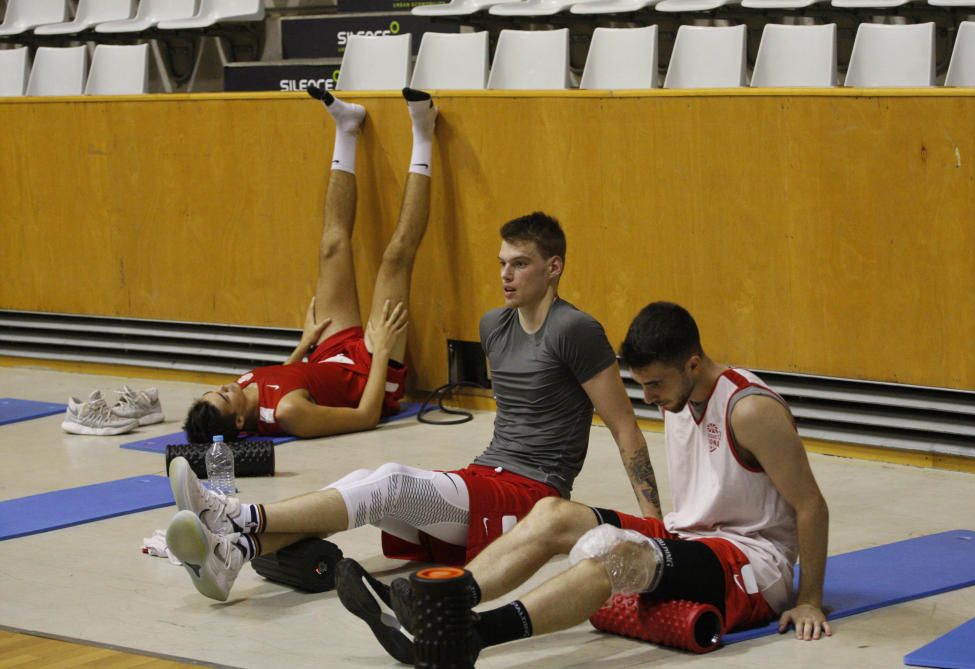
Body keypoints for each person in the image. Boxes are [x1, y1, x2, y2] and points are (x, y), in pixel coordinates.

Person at [165, 95, 662, 665]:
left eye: (519, 264)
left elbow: (625, 429)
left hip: (529, 495)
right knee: (370, 480)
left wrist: (654, 520)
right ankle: (234, 550)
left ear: (553, 268)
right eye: (501, 262)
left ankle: (240, 518)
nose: (505, 274)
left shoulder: (576, 329)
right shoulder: (493, 326)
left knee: (391, 482)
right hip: (485, 477)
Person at [345, 301, 832, 664]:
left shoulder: (750, 411)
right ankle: (448, 602)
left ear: (694, 364)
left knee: (615, 557)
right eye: (641, 384)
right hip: (694, 539)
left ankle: (471, 635)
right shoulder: (680, 394)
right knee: (552, 513)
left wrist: (808, 600)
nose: (649, 397)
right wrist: (655, 526)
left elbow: (811, 506)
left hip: (750, 563)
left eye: (656, 384)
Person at [181, 84, 432, 444]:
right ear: (239, 422)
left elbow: (275, 380)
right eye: (223, 396)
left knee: (332, 245)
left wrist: (304, 344)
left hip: (327, 356)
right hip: (371, 373)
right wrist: (383, 352)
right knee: (395, 258)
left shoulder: (243, 387)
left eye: (214, 389)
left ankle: (347, 128)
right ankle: (424, 133)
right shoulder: (290, 415)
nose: (224, 386)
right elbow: (365, 416)